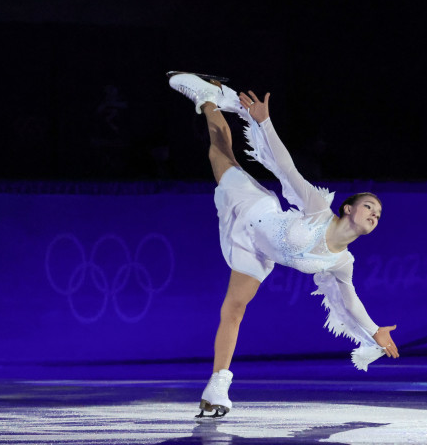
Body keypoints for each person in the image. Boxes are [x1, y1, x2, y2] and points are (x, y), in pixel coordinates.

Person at [168, 72, 399, 418]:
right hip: (253, 208)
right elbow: (286, 168)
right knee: (222, 154)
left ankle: (217, 387)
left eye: (379, 214)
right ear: (348, 208)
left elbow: (349, 301)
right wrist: (265, 123)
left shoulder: (342, 262)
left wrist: (373, 331)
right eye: (369, 206)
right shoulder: (320, 210)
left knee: (233, 310)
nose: (374, 214)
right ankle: (208, 97)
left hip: (257, 252)